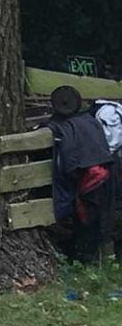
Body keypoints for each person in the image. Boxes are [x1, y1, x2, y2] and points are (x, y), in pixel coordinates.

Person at [47, 85, 117, 266]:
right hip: (99, 179)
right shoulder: (91, 123)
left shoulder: (66, 127)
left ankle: (87, 256)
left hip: (90, 182)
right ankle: (93, 256)